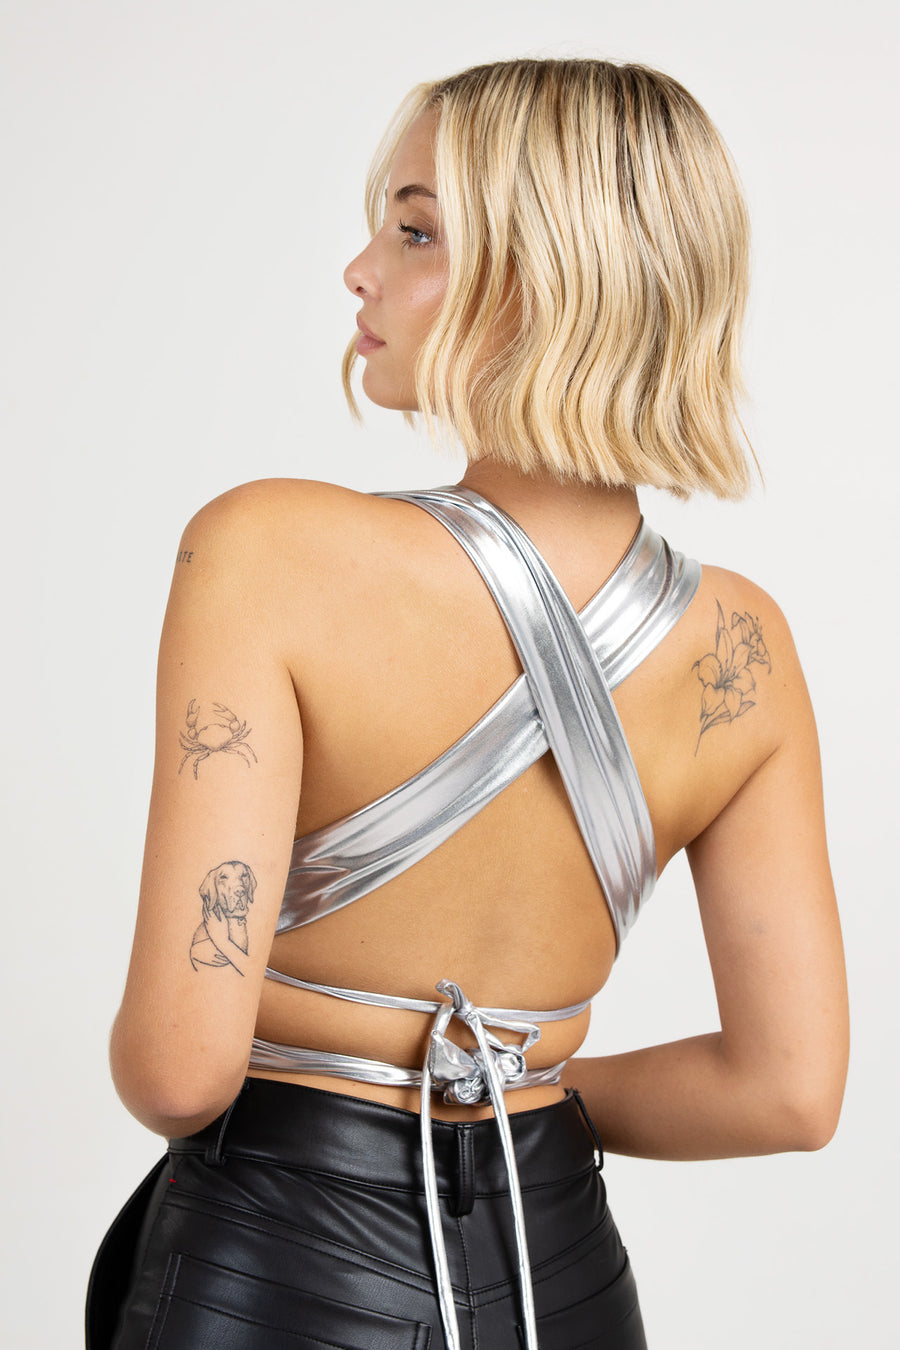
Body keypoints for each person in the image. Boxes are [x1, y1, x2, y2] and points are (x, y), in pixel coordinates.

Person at [86, 58, 849, 1350]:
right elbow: (785, 1090)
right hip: (561, 1271)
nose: (360, 271)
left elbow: (177, 1069)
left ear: (546, 279)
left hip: (281, 1263)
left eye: (417, 231)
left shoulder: (267, 550)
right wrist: (512, 1088)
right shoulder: (745, 648)